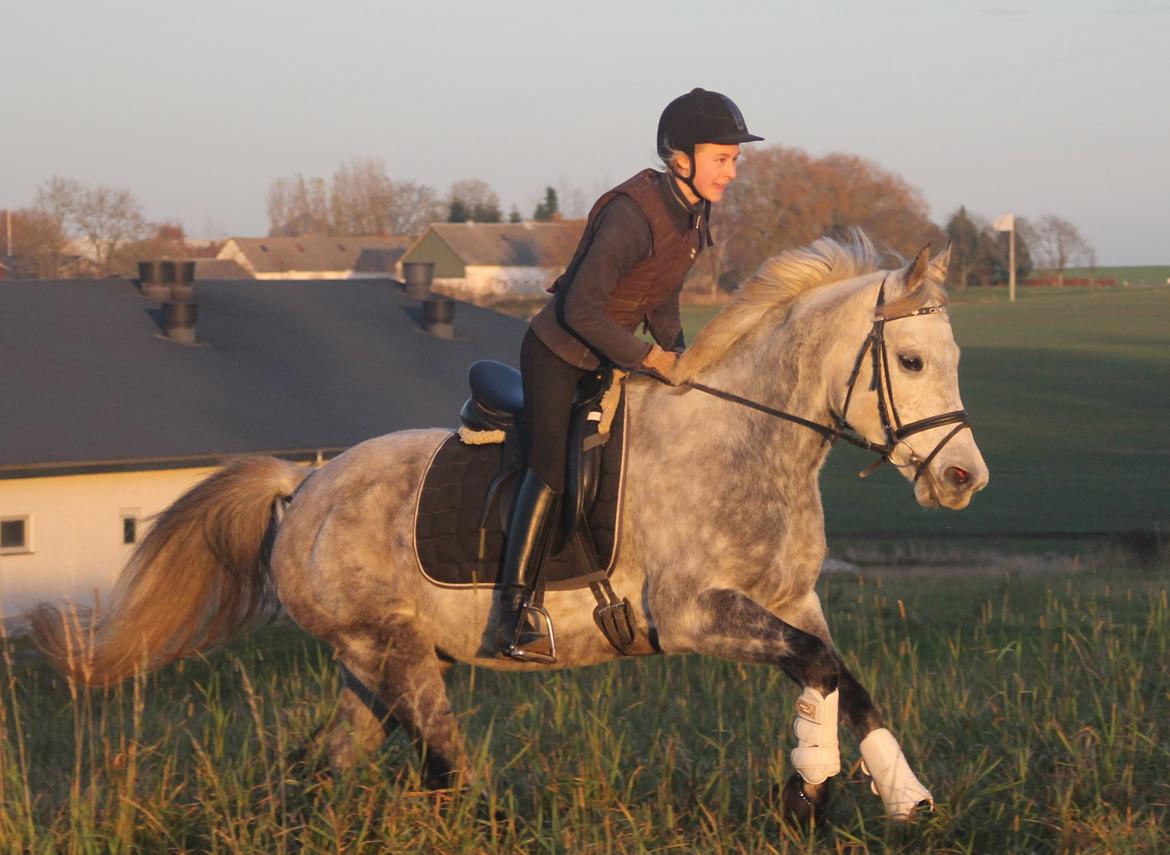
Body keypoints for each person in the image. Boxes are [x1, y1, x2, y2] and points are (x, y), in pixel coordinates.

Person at [498, 88, 764, 661]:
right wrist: (649, 359)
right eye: (723, 158)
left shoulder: (692, 210)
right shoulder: (630, 214)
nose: (732, 172)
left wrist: (682, 353)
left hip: (607, 356)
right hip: (557, 355)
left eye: (735, 159)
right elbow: (580, 310)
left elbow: (660, 294)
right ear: (681, 157)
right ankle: (514, 613)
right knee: (553, 472)